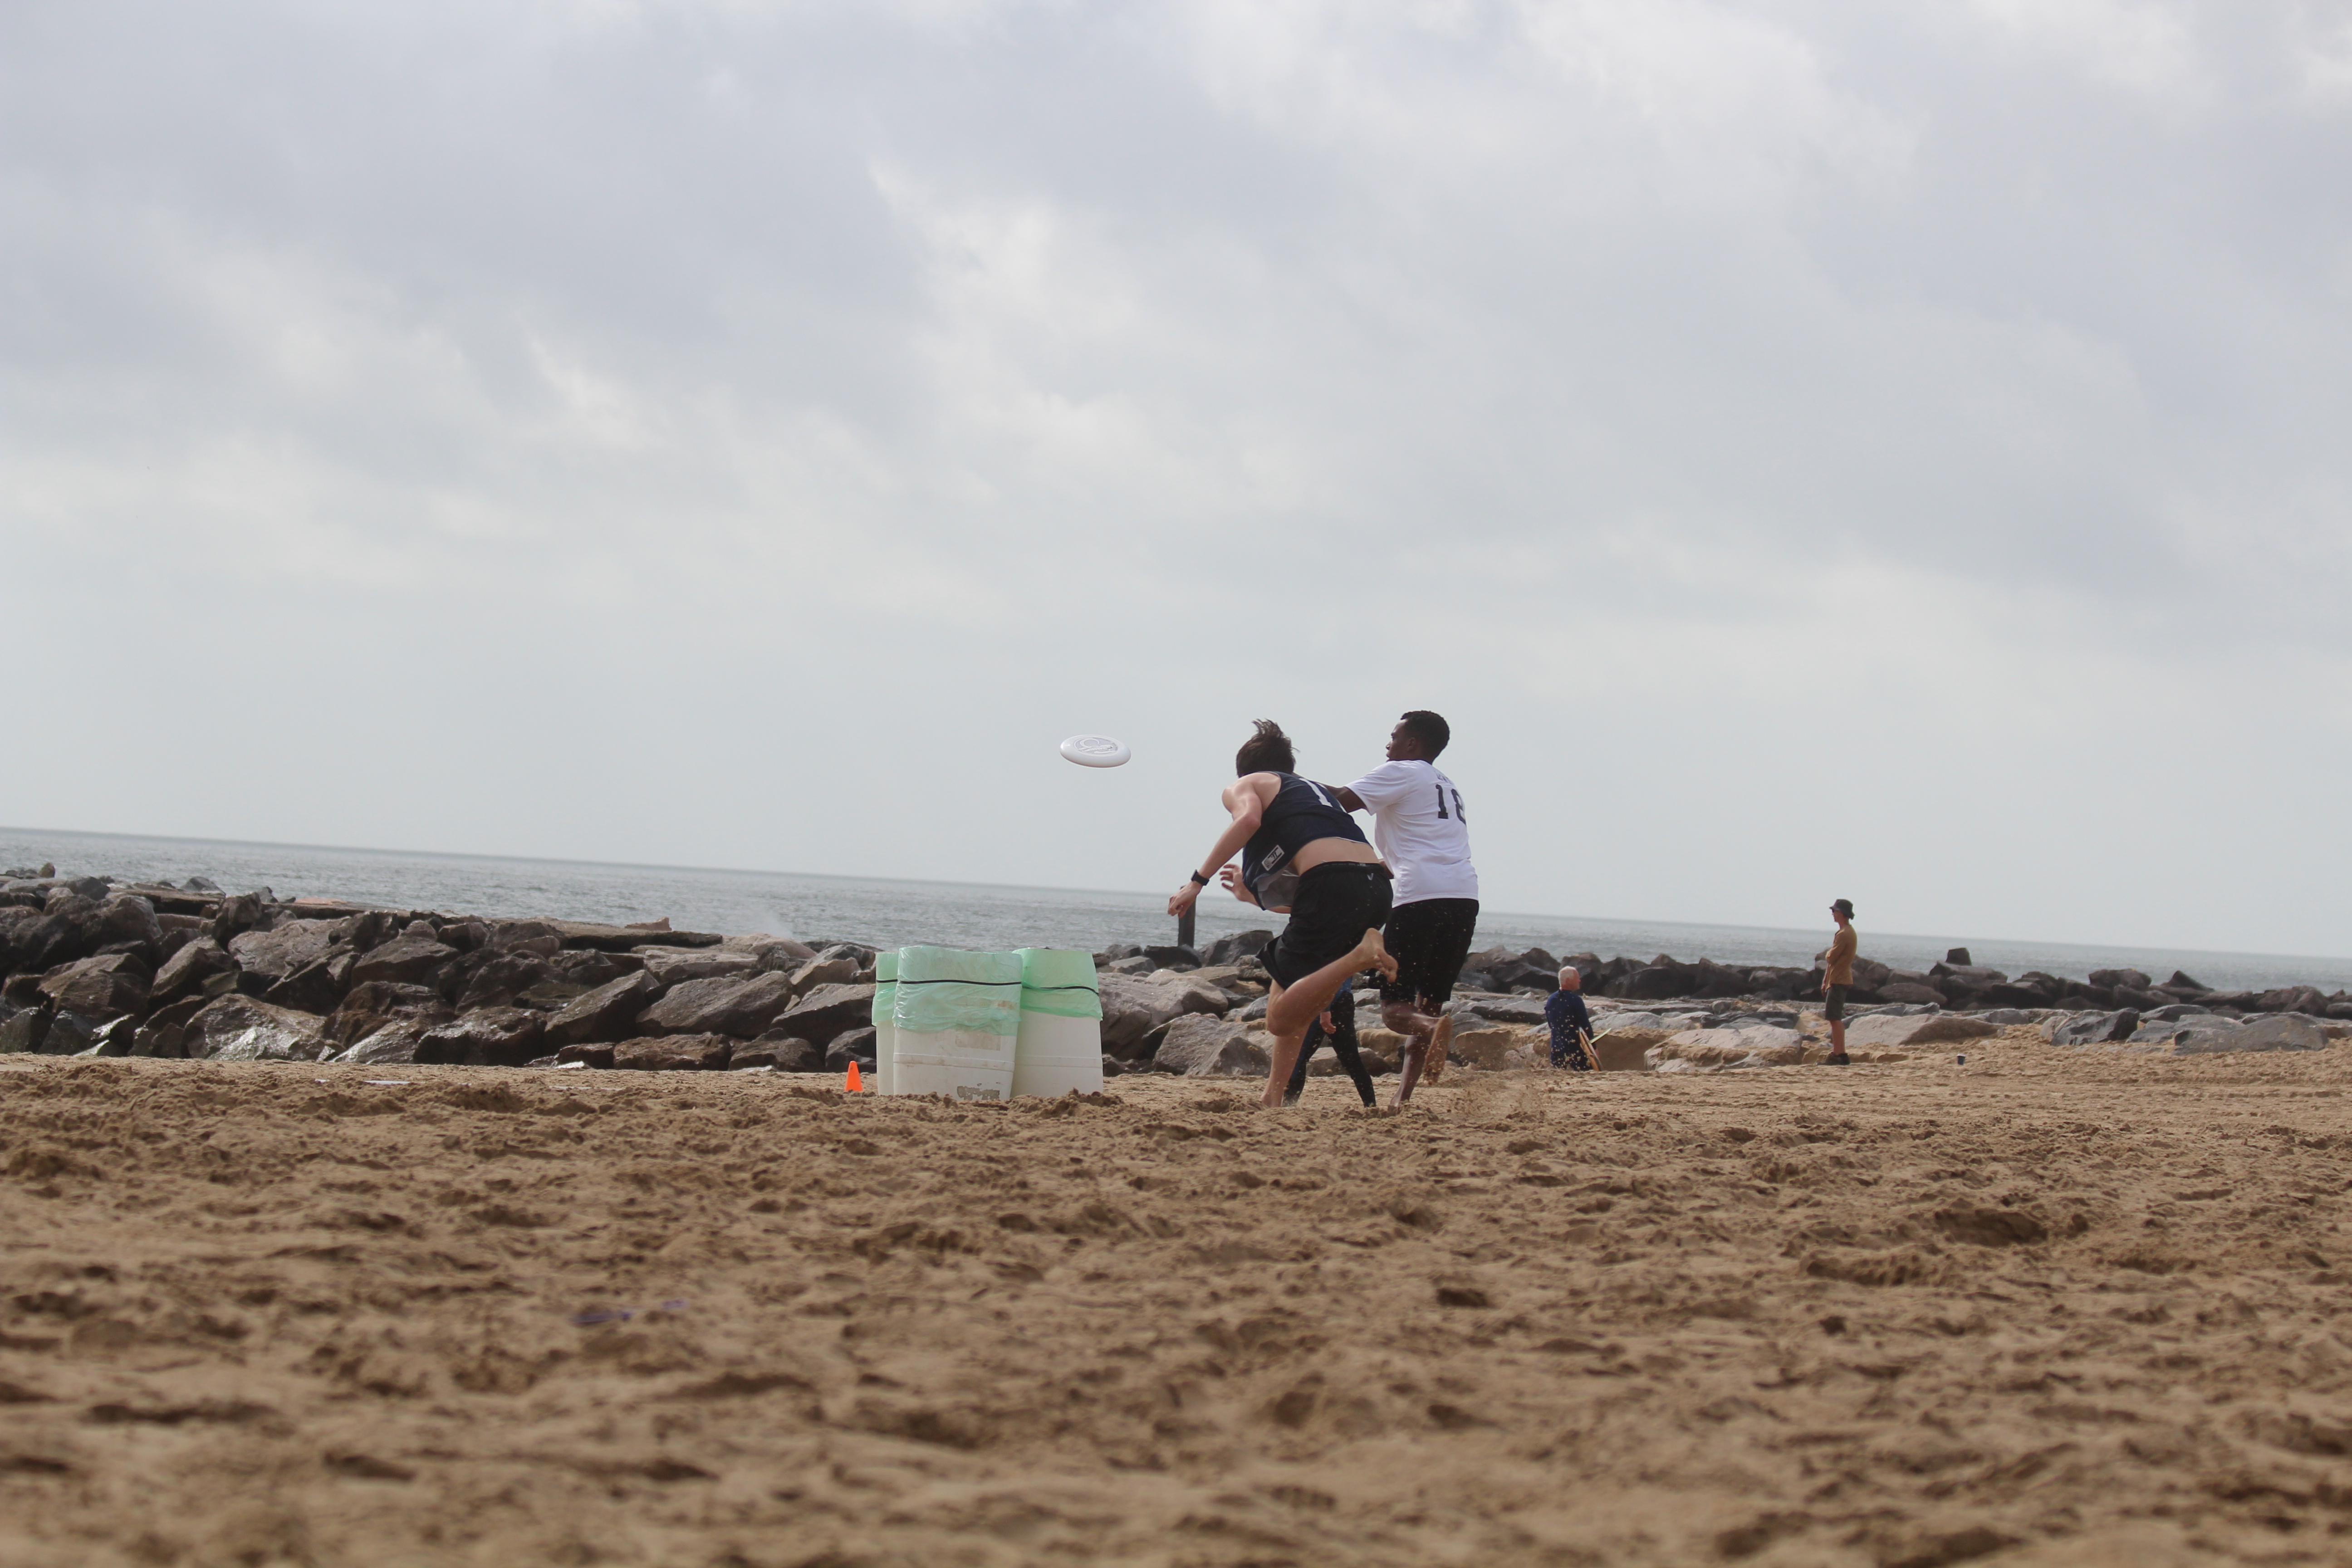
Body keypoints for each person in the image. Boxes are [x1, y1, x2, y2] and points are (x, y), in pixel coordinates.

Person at [1170, 720, 1397, 1108]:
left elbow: (1248, 821)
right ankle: (1273, 1098)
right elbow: (1314, 905)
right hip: (1375, 887)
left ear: (1244, 769)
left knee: (1277, 1020)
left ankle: (1359, 958)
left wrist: (1197, 882)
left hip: (1332, 883)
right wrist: (1251, 897)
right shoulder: (1313, 794)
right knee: (1294, 998)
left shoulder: (1248, 784)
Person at [1333, 710, 1478, 1105]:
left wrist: (1285, 783)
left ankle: (1432, 1028)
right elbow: (1417, 849)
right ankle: (1403, 1099)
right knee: (1429, 1004)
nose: (1388, 745)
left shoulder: (1403, 771)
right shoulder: (1446, 785)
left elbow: (1340, 801)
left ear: (1412, 743)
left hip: (1420, 896)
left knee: (1395, 1010)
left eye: (1394, 737)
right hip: (1465, 896)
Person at [1282, 980, 1378, 1107]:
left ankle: (1288, 1105)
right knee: (1351, 1059)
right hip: (1343, 998)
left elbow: (1324, 976)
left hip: (1324, 1001)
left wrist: (1325, 1010)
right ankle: (1371, 1106)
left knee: (1299, 1057)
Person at [1820, 898, 1857, 1065]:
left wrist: (1829, 954)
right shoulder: (1846, 932)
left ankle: (1839, 1053)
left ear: (1842, 913)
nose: (1833, 914)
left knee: (1834, 1018)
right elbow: (1832, 962)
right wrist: (1825, 981)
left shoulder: (1845, 934)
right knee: (1834, 1018)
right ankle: (1840, 1053)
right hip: (1837, 979)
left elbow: (1831, 957)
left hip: (1839, 980)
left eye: (1835, 911)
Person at [1544, 965, 1595, 1070]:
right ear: (1568, 980)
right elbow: (1586, 1026)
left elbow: (1551, 1024)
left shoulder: (1551, 999)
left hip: (1556, 1048)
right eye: (1577, 978)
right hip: (1573, 1049)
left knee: (1559, 1075)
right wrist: (1593, 1048)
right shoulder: (1575, 1000)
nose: (1579, 980)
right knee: (1585, 1073)